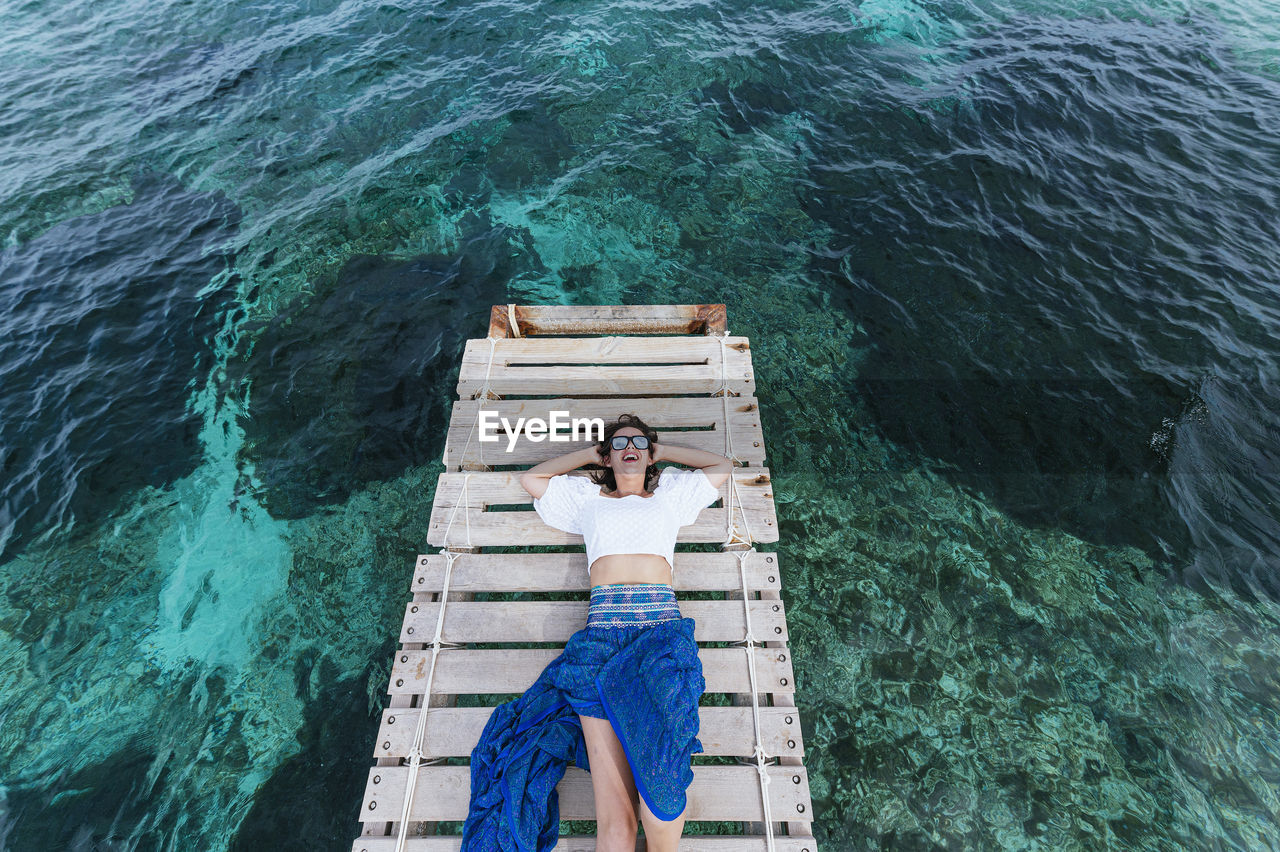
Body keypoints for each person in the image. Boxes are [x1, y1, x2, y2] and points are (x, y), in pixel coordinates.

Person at [461, 413, 732, 852]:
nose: (632, 448)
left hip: (659, 638)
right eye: (621, 442)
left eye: (641, 443)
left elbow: (720, 467)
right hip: (601, 642)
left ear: (651, 456)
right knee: (618, 823)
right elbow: (534, 479)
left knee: (661, 798)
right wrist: (593, 454)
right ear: (608, 455)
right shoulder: (587, 498)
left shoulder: (670, 496)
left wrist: (662, 452)